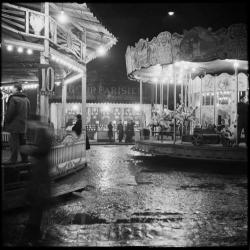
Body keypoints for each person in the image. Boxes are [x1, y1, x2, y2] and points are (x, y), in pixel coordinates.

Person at [19, 114, 52, 246]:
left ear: (33, 122)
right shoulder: (41, 131)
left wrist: (30, 150)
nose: (29, 125)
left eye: (29, 123)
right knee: (37, 197)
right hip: (40, 167)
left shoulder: (43, 132)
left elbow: (44, 149)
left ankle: (33, 229)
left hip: (41, 168)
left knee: (38, 197)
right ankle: (33, 226)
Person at [4, 83, 30, 164]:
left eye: (13, 88)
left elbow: (10, 112)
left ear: (16, 89)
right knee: (23, 143)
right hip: (23, 125)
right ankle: (25, 159)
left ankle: (13, 160)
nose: (12, 89)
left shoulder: (13, 98)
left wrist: (6, 121)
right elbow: (28, 112)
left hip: (14, 125)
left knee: (14, 143)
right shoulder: (26, 99)